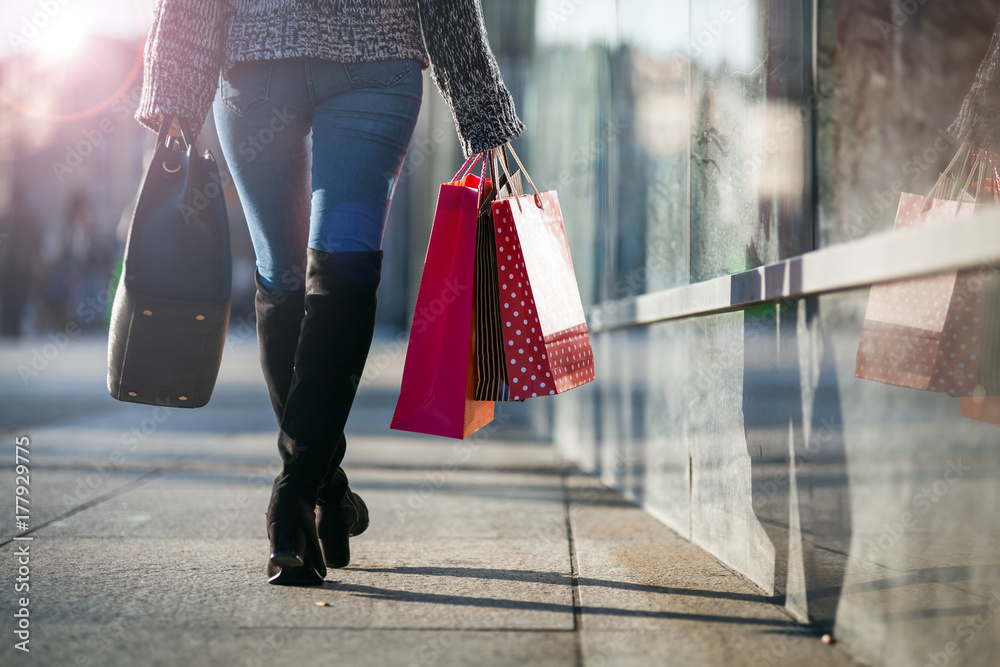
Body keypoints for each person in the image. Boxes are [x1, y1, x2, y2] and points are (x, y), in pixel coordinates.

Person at [136, 0, 523, 586]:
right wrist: (477, 101)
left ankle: (298, 497)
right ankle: (315, 491)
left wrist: (174, 97)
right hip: (373, 57)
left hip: (259, 58)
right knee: (342, 270)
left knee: (285, 278)